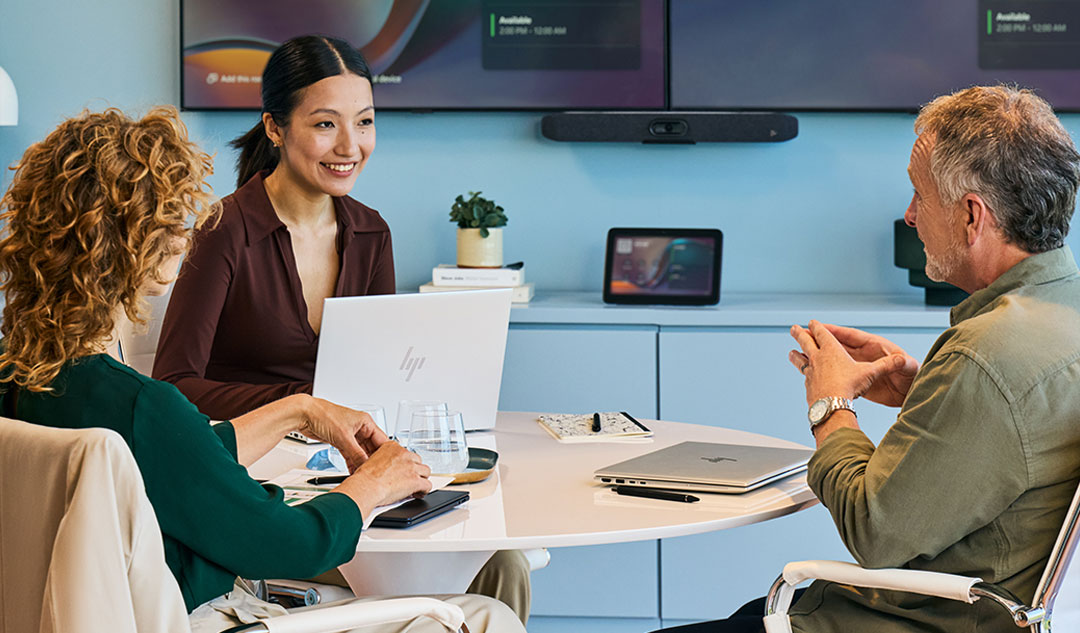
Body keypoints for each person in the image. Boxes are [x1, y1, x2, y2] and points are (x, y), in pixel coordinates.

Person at [0, 106, 525, 633]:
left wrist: (297, 410)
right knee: (485, 616)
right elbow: (291, 543)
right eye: (176, 224)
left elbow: (179, 461)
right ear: (138, 246)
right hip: (204, 620)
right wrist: (372, 484)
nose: (185, 241)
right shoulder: (145, 407)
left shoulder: (23, 379)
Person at [655, 85, 1080, 633]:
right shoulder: (1058, 314)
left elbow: (873, 530)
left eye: (919, 197)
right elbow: (1023, 434)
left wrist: (830, 406)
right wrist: (924, 388)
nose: (909, 216)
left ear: (972, 217)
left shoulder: (985, 356)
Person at [150, 35, 532, 621]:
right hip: (259, 484)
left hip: (345, 470)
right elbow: (173, 385)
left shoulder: (370, 232)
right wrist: (302, 405)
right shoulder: (224, 229)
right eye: (326, 124)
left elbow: (381, 372)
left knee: (503, 562)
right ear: (274, 128)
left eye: (365, 122)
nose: (350, 146)